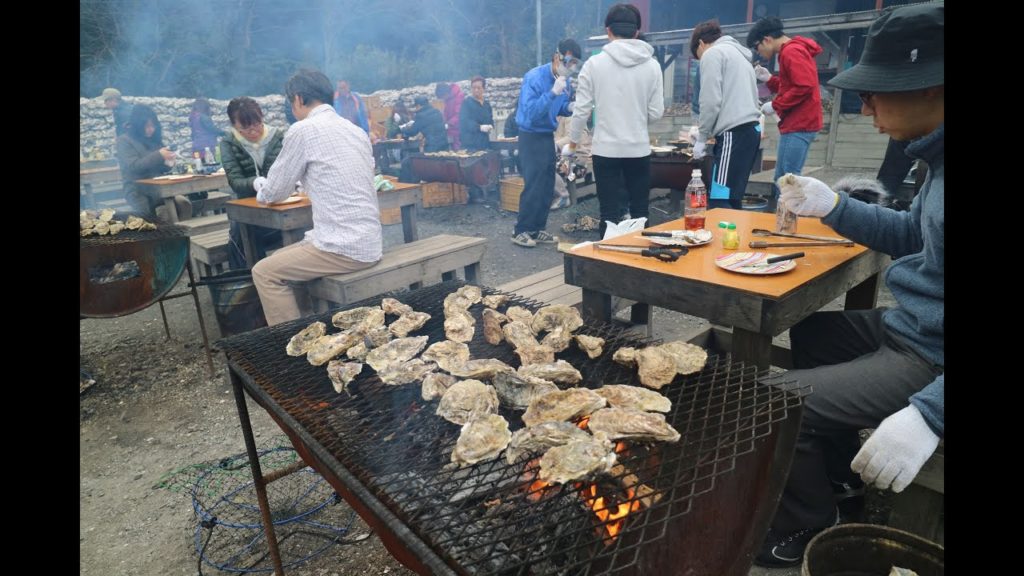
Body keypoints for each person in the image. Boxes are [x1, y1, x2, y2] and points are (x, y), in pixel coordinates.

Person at [754, 4, 944, 567]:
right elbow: (915, 233)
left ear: (932, 87)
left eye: (878, 90)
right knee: (809, 332)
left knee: (773, 401)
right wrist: (833, 206)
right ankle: (836, 479)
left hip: (932, 357)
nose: (865, 106)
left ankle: (806, 525)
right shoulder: (936, 154)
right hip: (913, 326)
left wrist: (931, 412)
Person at [251, 69, 382, 326]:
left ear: (298, 99)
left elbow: (273, 192)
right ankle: (311, 326)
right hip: (370, 242)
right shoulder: (354, 130)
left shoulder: (303, 130)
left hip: (344, 248)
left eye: (291, 103)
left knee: (264, 272)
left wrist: (259, 184)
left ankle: (292, 343)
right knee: (281, 259)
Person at [567, 3, 663, 237]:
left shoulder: (594, 64)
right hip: (638, 149)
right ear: (636, 32)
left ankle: (606, 269)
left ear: (608, 31)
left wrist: (572, 142)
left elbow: (581, 109)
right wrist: (637, 121)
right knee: (640, 213)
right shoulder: (652, 66)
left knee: (608, 214)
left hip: (606, 150)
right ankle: (642, 266)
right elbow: (657, 112)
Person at [511, 38, 581, 248]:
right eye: (568, 61)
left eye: (574, 63)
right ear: (556, 57)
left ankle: (537, 228)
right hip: (530, 135)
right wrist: (552, 93)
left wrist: (569, 107)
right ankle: (521, 230)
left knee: (547, 183)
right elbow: (531, 113)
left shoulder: (565, 81)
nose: (570, 67)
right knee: (533, 183)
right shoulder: (534, 77)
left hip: (546, 135)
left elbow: (557, 109)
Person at [748, 16, 823, 201]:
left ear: (767, 39)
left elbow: (803, 86)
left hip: (799, 123)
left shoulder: (791, 52)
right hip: (798, 123)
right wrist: (770, 80)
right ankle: (784, 219)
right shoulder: (793, 50)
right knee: (782, 178)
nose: (758, 52)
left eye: (757, 47)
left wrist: (775, 105)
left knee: (789, 180)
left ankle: (789, 221)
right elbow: (792, 83)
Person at [690, 20, 761, 210]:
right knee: (733, 198)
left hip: (734, 134)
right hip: (750, 131)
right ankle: (735, 239)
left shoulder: (713, 54)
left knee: (719, 199)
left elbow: (710, 100)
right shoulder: (740, 56)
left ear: (701, 44)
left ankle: (720, 239)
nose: (701, 60)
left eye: (698, 56)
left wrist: (702, 137)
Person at [219, 96, 286, 269]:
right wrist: (254, 183)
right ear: (234, 125)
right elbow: (235, 180)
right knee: (240, 235)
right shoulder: (228, 143)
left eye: (256, 124)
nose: (253, 131)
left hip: (280, 202)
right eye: (245, 128)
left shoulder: (277, 137)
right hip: (248, 207)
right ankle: (248, 282)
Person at [116, 104, 191, 221]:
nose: (150, 129)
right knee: (153, 217)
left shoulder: (154, 139)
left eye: (153, 125)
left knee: (184, 204)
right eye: (146, 126)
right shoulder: (124, 141)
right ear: (137, 126)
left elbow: (159, 168)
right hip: (137, 191)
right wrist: (159, 155)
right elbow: (133, 166)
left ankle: (181, 236)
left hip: (158, 189)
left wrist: (168, 163)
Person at [459, 76, 496, 204]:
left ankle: (486, 191)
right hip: (471, 141)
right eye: (473, 88)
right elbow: (464, 122)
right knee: (472, 166)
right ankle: (474, 195)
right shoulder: (467, 103)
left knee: (484, 165)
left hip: (484, 141)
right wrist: (479, 127)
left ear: (484, 89)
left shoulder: (486, 104)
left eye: (479, 88)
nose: (476, 90)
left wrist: (490, 125)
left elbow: (490, 119)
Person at [437, 82, 465, 150]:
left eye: (443, 97)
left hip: (459, 129)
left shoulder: (459, 97)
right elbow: (447, 113)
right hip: (452, 129)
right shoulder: (448, 99)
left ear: (446, 93)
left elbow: (459, 115)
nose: (443, 99)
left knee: (459, 151)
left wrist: (449, 123)